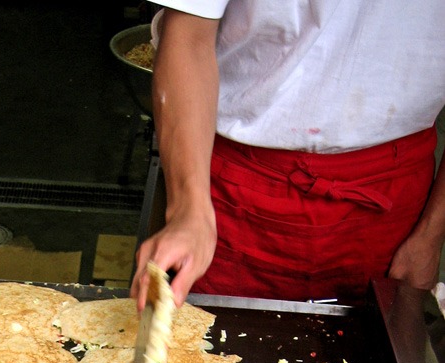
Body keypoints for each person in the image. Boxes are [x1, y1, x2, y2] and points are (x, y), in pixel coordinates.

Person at [131, 1, 445, 309]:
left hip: (391, 202)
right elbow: (188, 36)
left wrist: (432, 232)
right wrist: (188, 210)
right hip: (233, 191)